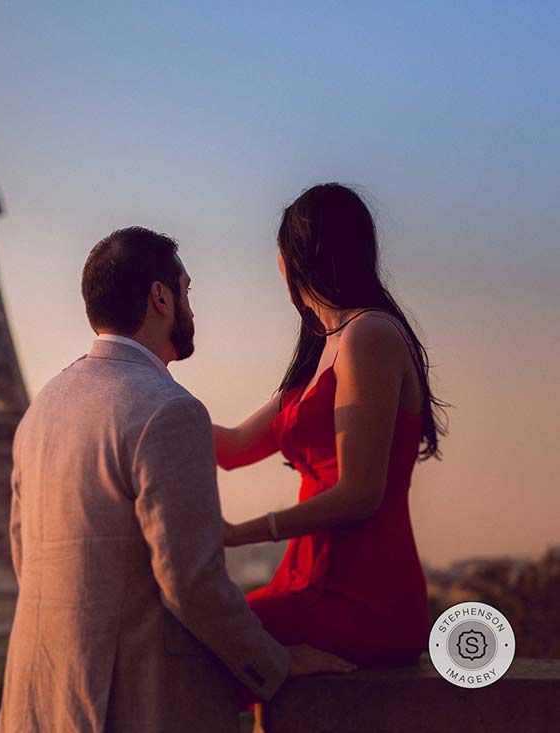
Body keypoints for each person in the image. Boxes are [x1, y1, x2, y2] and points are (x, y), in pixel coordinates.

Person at [0, 226, 355, 733]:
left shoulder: (44, 409)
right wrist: (273, 664)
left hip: (41, 702)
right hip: (133, 706)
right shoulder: (170, 412)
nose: (191, 307)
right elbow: (191, 581)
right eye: (186, 291)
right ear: (160, 297)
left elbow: (24, 555)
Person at [212, 183, 449, 711]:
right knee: (201, 635)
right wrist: (142, 379)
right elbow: (227, 448)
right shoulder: (327, 348)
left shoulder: (370, 337)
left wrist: (239, 534)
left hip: (361, 596)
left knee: (200, 642)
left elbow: (361, 493)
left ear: (295, 256)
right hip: (310, 583)